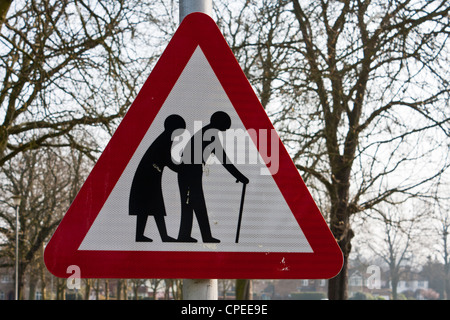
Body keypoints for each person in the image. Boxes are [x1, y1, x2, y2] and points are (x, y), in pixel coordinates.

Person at [177, 111, 249, 243]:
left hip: (188, 171)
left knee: (191, 203)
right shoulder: (210, 134)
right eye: (226, 124)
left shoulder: (208, 132)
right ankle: (204, 236)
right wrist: (240, 176)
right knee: (197, 204)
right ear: (219, 122)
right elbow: (223, 158)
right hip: (190, 172)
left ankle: (185, 235)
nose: (227, 128)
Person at [129, 114, 186, 242]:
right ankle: (159, 236)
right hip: (147, 178)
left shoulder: (165, 138)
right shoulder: (165, 139)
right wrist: (182, 168)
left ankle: (154, 236)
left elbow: (165, 160)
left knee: (152, 207)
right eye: (180, 131)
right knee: (152, 207)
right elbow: (167, 159)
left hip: (150, 177)